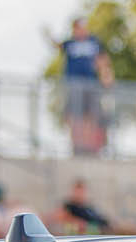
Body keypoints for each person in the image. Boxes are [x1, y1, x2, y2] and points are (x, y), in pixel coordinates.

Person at [50, 18, 104, 157]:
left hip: (90, 84)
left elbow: (102, 59)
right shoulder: (70, 43)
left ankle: (91, 146)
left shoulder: (93, 42)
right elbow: (58, 46)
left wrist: (106, 74)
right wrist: (49, 36)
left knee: (92, 115)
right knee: (74, 116)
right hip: (73, 84)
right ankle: (76, 145)